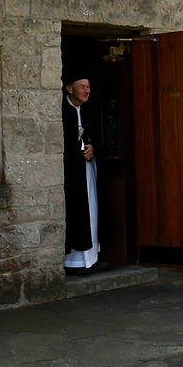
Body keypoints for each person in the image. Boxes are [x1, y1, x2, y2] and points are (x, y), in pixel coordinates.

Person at [62, 69, 101, 275]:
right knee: (76, 212)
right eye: (82, 87)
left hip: (87, 171)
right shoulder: (62, 111)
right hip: (71, 175)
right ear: (70, 89)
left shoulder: (88, 109)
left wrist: (93, 147)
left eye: (88, 86)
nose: (87, 91)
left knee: (91, 211)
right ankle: (74, 262)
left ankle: (90, 258)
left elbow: (95, 135)